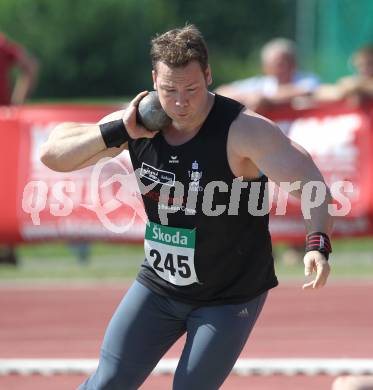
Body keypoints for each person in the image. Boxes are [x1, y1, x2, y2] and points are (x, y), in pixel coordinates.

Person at [40, 25, 333, 390]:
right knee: (107, 382)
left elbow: (311, 183)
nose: (180, 102)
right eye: (169, 90)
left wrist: (317, 243)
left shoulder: (244, 131)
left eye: (191, 89)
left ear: (208, 77)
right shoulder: (138, 123)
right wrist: (118, 132)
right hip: (159, 286)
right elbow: (52, 154)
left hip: (228, 297)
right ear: (153, 81)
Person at [0, 32, 38, 265]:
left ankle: (9, 245)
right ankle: (9, 246)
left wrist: (15, 107)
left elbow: (29, 66)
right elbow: (30, 66)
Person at [216, 38, 320, 112]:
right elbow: (221, 92)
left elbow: (308, 91)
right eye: (276, 64)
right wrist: (249, 97)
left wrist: (265, 100)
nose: (282, 68)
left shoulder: (307, 80)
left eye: (286, 62)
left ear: (294, 63)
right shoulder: (262, 84)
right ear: (265, 68)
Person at [0, 32, 38, 105]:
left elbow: (30, 66)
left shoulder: (2, 45)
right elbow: (31, 66)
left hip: (3, 112)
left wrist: (17, 101)